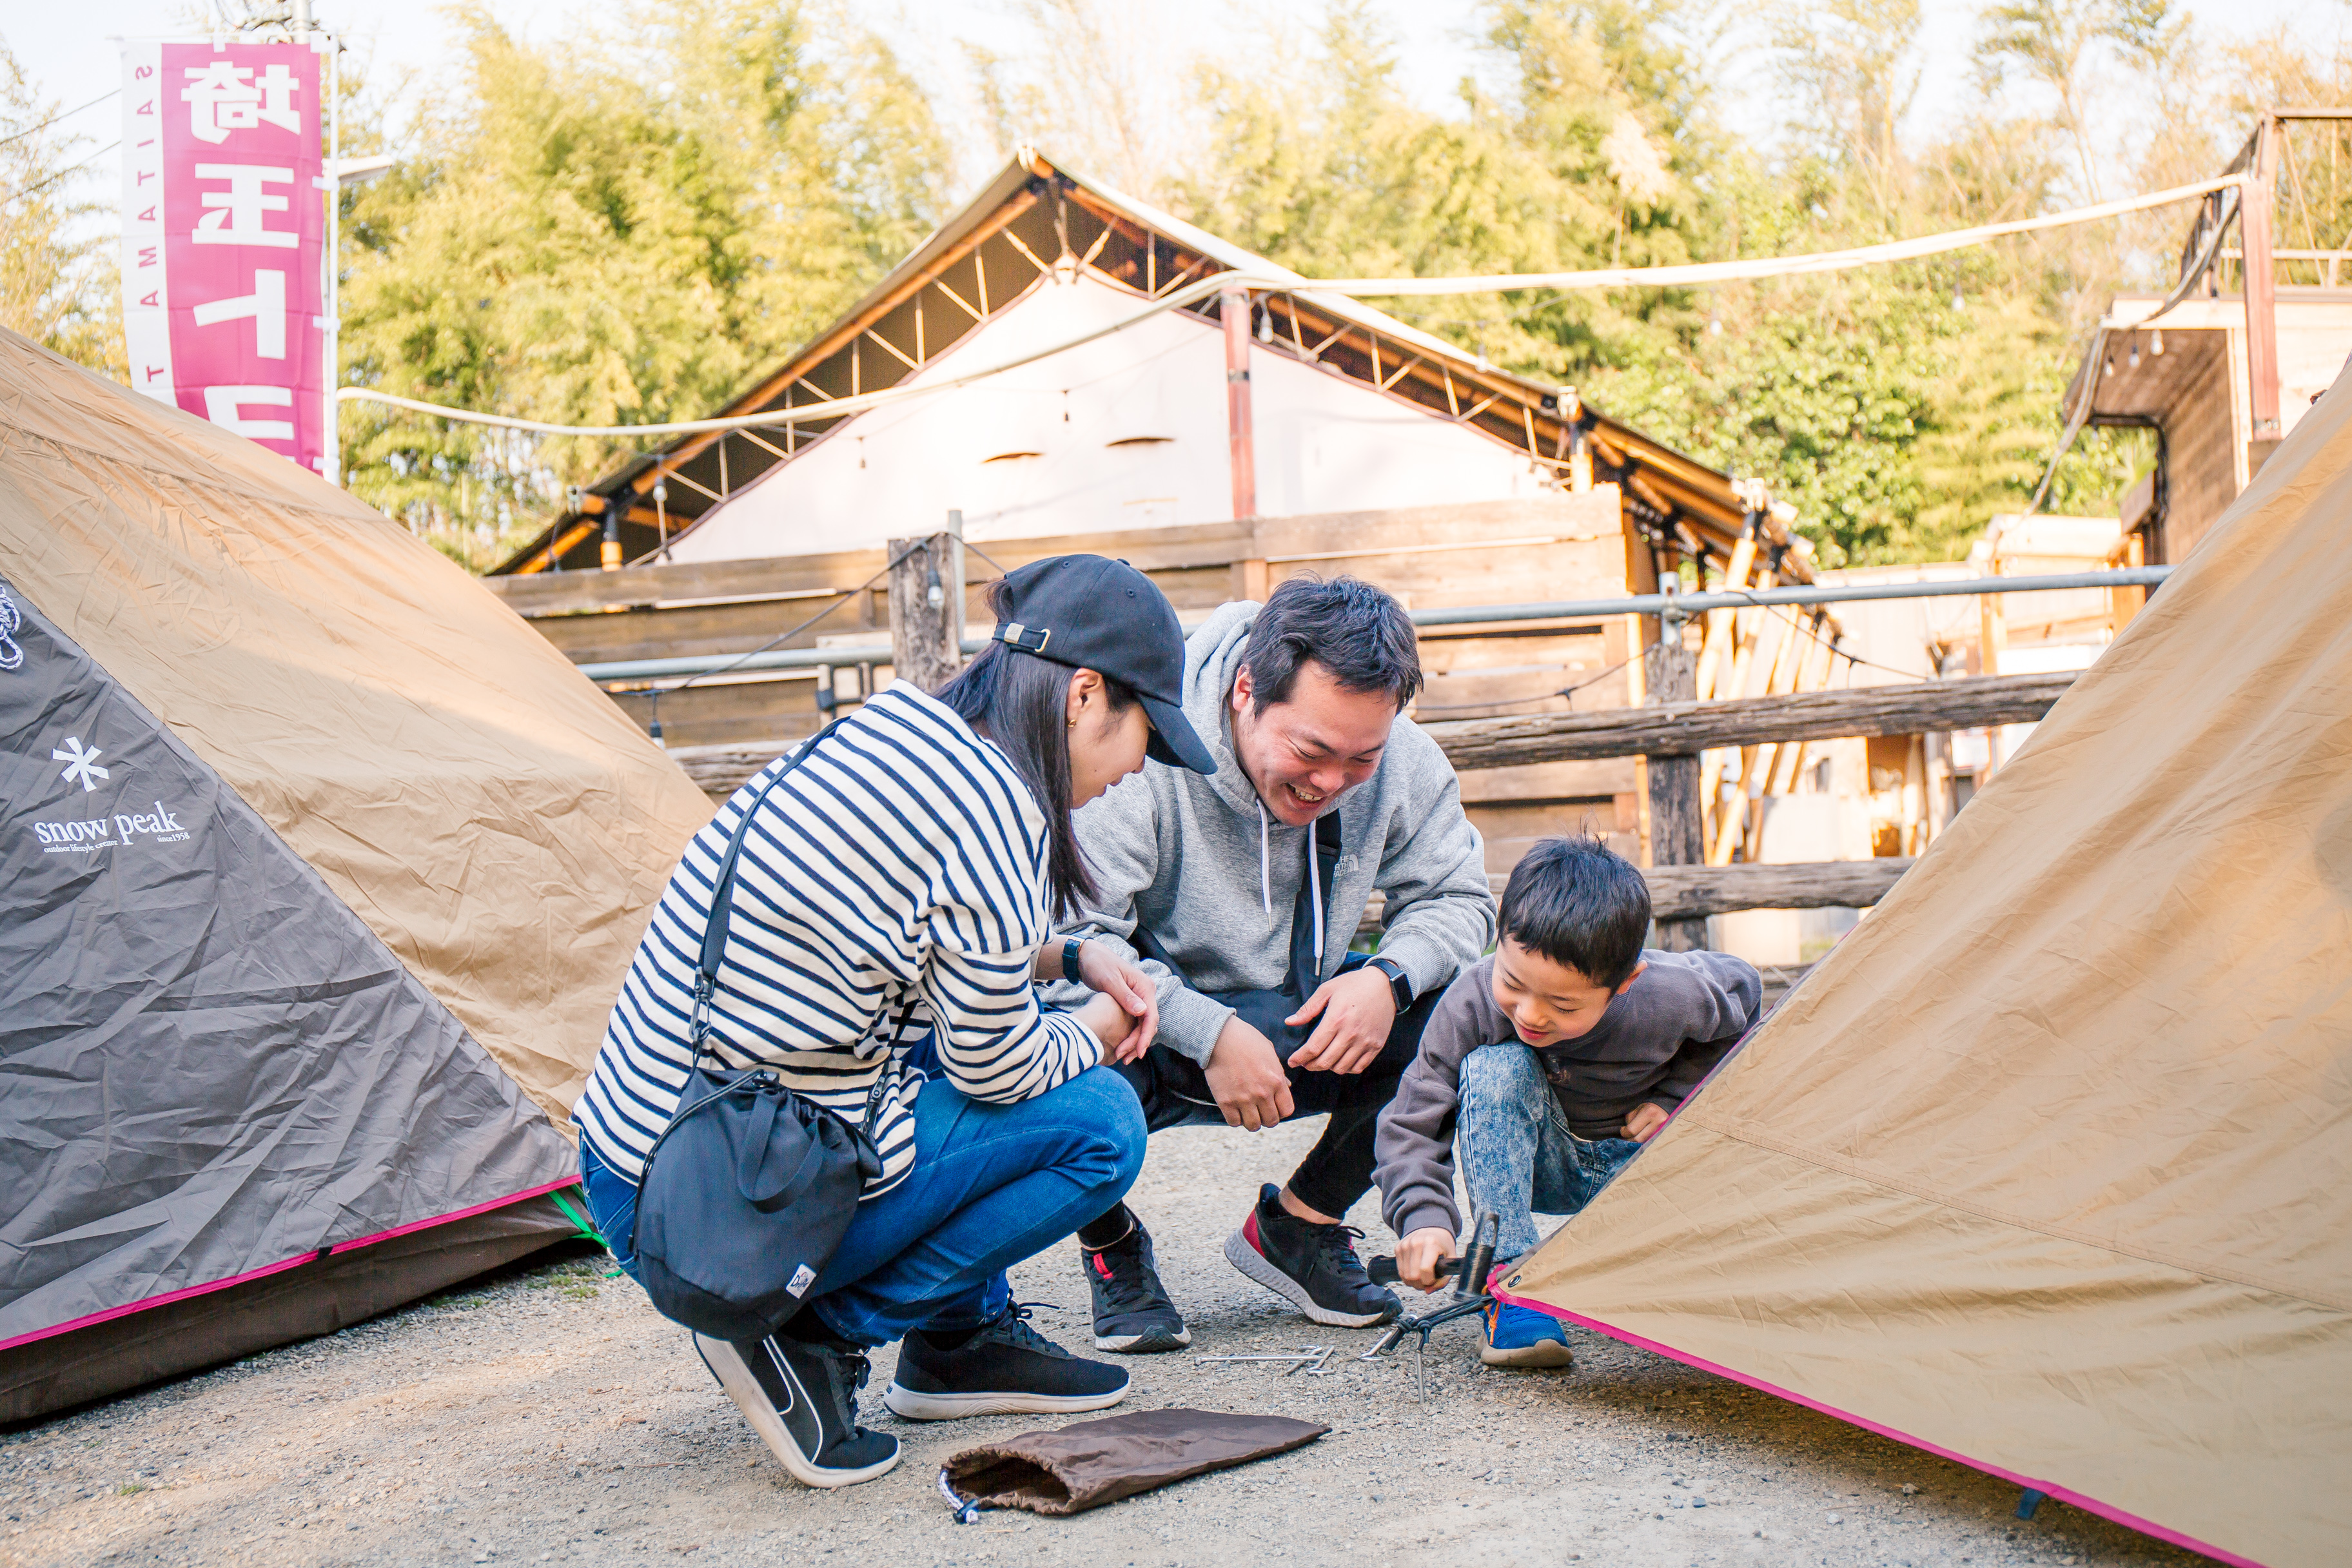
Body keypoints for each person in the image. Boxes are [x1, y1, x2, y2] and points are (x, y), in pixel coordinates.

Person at [571, 555, 1220, 1489]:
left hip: (646, 1154)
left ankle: (959, 1343)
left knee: (973, 1036)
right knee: (1101, 1123)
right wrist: (1096, 1030)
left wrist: (1072, 957)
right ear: (1084, 695)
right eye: (1143, 739)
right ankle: (812, 1339)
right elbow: (997, 1065)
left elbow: (912, 939)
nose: (1135, 773)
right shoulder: (998, 813)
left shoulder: (897, 732)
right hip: (717, 1212)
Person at [1049, 575, 1494, 1351]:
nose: (1330, 782)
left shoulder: (1401, 760)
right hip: (1150, 1020)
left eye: (1361, 759)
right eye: (1311, 751)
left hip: (1303, 1007)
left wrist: (1384, 980)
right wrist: (1210, 1033)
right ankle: (1111, 1242)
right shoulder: (1137, 748)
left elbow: (1459, 898)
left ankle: (1298, 1226)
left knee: (1464, 1014)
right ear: (1246, 689)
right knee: (1057, 1048)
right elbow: (1075, 941)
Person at [1373, 835, 1761, 1367]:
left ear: (1625, 982)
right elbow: (1413, 1120)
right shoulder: (1473, 1000)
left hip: (1644, 1170)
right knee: (1495, 1065)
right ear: (1500, 939)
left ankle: (1667, 1273)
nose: (1530, 1014)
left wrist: (1677, 1097)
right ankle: (1513, 1285)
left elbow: (1746, 992)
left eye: (1562, 1003)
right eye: (1513, 982)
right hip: (1546, 1163)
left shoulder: (1677, 994)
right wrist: (1423, 1219)